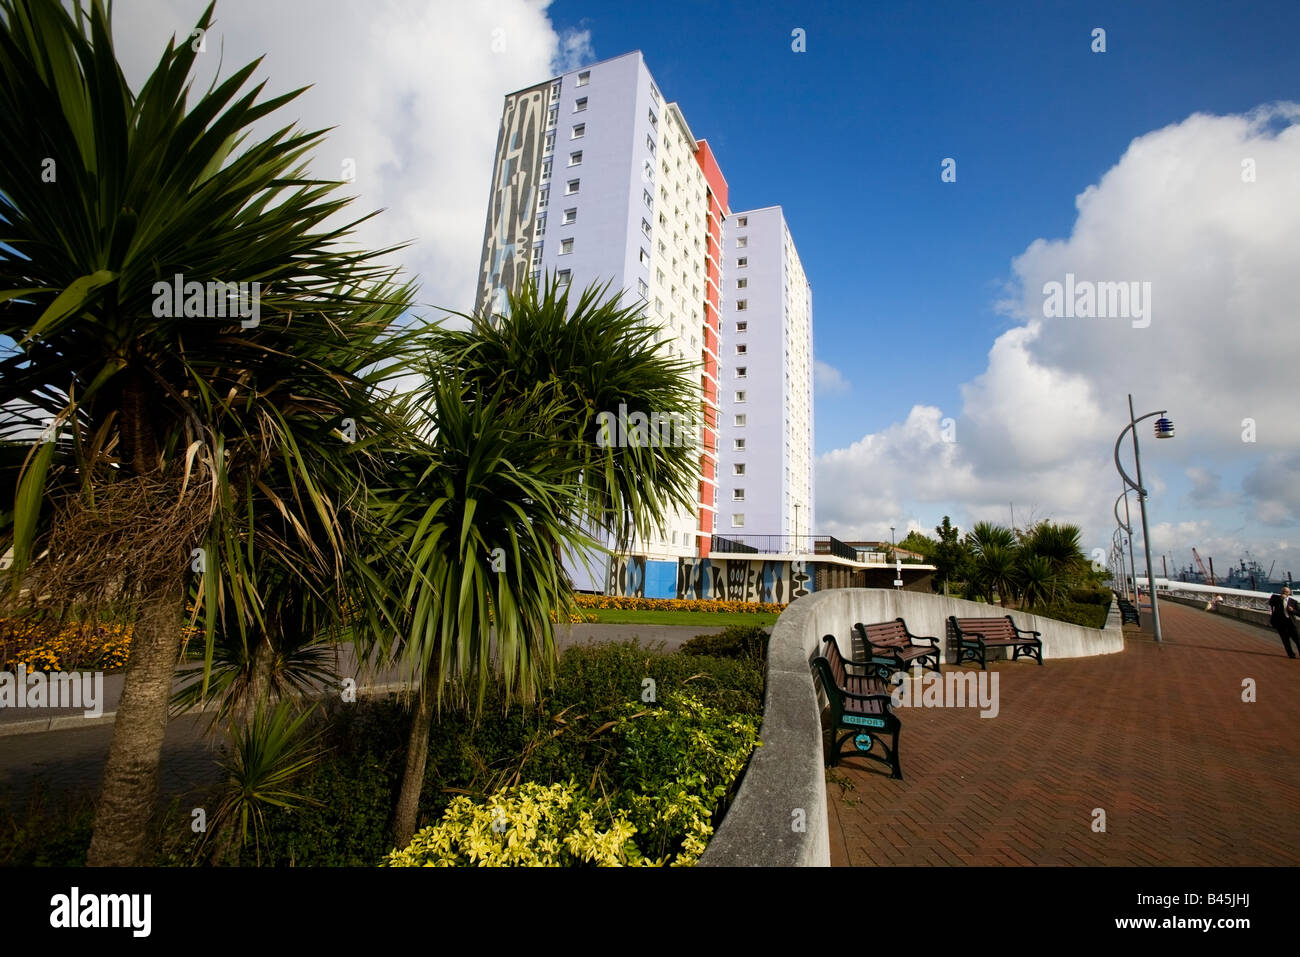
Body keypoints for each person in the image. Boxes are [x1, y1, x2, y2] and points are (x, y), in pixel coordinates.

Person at [1268, 586, 1300, 659]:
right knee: (1286, 641)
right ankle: (1291, 654)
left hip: (1291, 624)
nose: (1284, 593)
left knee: (1298, 640)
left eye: (1286, 592)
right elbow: (1271, 604)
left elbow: (1299, 613)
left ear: (1289, 593)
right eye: (1283, 591)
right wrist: (1280, 599)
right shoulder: (1275, 598)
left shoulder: (1293, 602)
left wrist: (1293, 610)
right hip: (1280, 624)